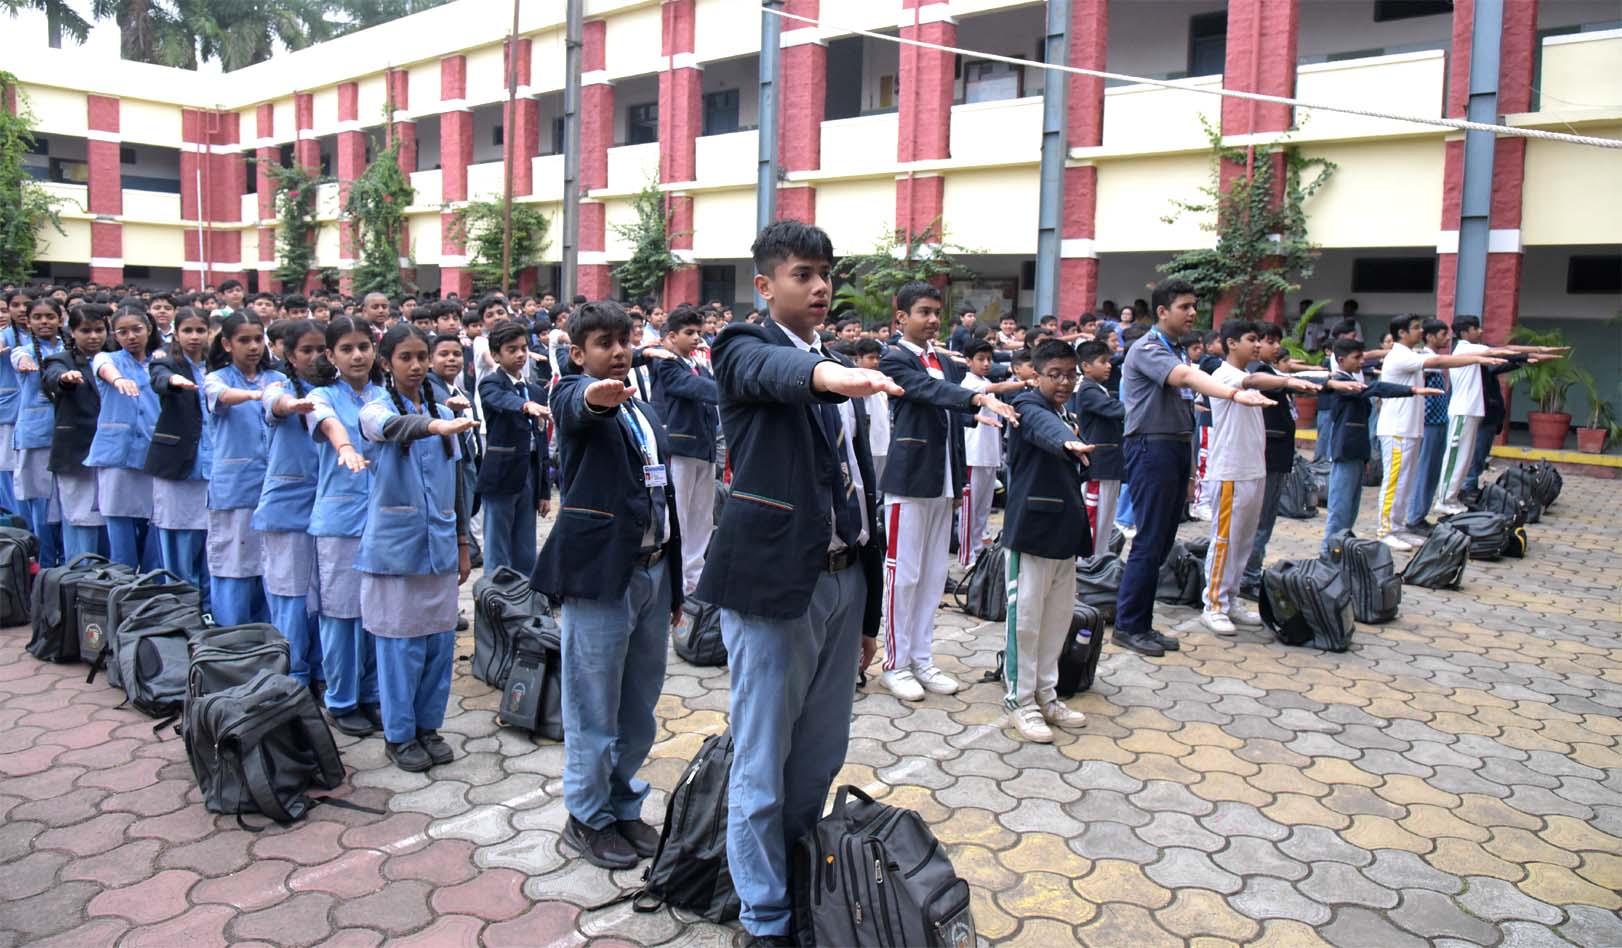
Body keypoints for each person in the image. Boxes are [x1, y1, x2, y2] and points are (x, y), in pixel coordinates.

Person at [697, 220, 898, 945]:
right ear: (764, 285)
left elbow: (860, 489)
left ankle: (795, 878)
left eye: (825, 274)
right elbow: (772, 373)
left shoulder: (834, 359)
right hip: (776, 586)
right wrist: (829, 378)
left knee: (818, 756)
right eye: (802, 274)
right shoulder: (741, 347)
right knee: (762, 760)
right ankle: (763, 915)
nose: (820, 287)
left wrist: (868, 615)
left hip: (843, 583)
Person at [532, 301, 682, 870]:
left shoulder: (641, 407)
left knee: (639, 706)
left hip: (653, 571)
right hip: (601, 577)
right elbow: (578, 407)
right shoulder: (574, 394)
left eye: (625, 340)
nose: (619, 352)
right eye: (604, 344)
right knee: (593, 706)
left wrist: (675, 586)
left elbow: (662, 491)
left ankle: (623, 804)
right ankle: (587, 817)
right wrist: (595, 395)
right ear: (578, 353)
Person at [1113, 281, 1275, 657]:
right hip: (1150, 447)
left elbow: (1185, 411)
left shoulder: (1177, 350)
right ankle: (1128, 625)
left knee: (1162, 542)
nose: (1192, 313)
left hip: (1173, 448)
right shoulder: (1148, 348)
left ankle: (1141, 623)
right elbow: (1186, 380)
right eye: (1184, 306)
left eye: (1194, 306)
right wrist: (1234, 393)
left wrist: (1189, 474)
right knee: (1149, 541)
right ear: (1162, 311)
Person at [878, 282, 1017, 701]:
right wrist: (978, 401)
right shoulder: (894, 357)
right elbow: (929, 392)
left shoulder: (941, 359)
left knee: (933, 575)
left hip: (943, 479)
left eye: (937, 312)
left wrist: (980, 415)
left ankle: (921, 658)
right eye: (923, 311)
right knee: (904, 574)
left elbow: (953, 412)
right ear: (901, 317)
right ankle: (895, 663)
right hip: (910, 478)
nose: (933, 319)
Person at [358, 325, 478, 772]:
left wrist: (462, 542)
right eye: (404, 357)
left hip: (440, 546)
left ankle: (428, 726)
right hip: (395, 551)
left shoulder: (443, 411)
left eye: (421, 357)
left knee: (437, 646)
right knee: (400, 650)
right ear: (386, 363)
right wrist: (434, 425)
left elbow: (458, 485)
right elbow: (392, 428)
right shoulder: (374, 409)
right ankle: (399, 735)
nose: (415, 366)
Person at [1198, 320, 1317, 636]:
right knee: (1225, 540)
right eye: (1251, 339)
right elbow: (1252, 379)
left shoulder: (1249, 377)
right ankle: (1213, 605)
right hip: (1230, 471)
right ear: (1231, 343)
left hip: (1253, 470)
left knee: (1244, 541)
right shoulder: (1225, 375)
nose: (1257, 345)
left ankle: (1231, 598)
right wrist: (1288, 380)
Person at [1002, 339, 1094, 742]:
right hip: (1033, 531)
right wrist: (1067, 442)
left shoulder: (1065, 412)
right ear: (1035, 375)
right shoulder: (1026, 406)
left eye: (1070, 375)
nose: (1064, 382)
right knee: (1025, 622)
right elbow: (1044, 429)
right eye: (1054, 375)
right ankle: (1019, 701)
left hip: (1064, 532)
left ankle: (1046, 694)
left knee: (1056, 620)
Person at [309, 317, 385, 736]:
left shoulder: (384, 396)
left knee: (376, 612)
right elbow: (328, 423)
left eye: (364, 347)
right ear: (331, 355)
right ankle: (340, 700)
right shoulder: (321, 395)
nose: (357, 356)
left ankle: (371, 693)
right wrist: (345, 447)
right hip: (339, 521)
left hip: (383, 518)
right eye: (347, 348)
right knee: (341, 614)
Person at [1374, 314, 1503, 550]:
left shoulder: (1411, 354)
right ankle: (1385, 530)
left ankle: (1398, 528)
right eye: (1416, 328)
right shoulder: (1400, 355)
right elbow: (1439, 362)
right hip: (1397, 429)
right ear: (1401, 333)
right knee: (1394, 482)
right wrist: (1476, 357)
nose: (1420, 332)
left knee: (1405, 482)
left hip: (1409, 429)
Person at [254, 321, 325, 688]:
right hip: (287, 509)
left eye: (321, 350)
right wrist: (293, 405)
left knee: (323, 597)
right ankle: (293, 676)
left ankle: (322, 670)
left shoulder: (336, 392)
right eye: (306, 351)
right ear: (290, 356)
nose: (315, 357)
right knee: (290, 596)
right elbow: (275, 404)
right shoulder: (278, 387)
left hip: (328, 509)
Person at [1321, 338, 1437, 552]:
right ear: (1341, 360)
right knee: (1340, 508)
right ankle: (1328, 552)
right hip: (1344, 452)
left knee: (1351, 508)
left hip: (1357, 451)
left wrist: (1365, 456)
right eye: (1356, 358)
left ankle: (1341, 550)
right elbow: (1377, 388)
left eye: (1362, 357)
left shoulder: (1351, 380)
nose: (1361, 362)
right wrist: (1412, 390)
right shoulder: (1341, 382)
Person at [1433, 317, 1555, 516]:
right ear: (1464, 332)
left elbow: (1501, 352)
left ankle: (1452, 498)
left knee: (1465, 459)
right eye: (1475, 328)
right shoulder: (1465, 348)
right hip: (1462, 411)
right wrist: (1532, 353)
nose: (1480, 331)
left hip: (1472, 411)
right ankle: (1444, 500)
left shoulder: (1472, 349)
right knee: (1455, 458)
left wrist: (1528, 356)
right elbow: (1501, 350)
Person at [204, 312, 280, 625]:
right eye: (244, 340)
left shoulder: (276, 378)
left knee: (269, 564)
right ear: (226, 344)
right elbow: (222, 397)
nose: (253, 347)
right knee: (234, 563)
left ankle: (265, 636)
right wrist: (255, 394)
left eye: (258, 339)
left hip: (273, 486)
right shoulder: (217, 378)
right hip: (235, 486)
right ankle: (231, 635)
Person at [85, 306, 162, 570]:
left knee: (155, 525)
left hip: (152, 452)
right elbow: (104, 368)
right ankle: (123, 584)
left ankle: (152, 584)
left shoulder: (160, 363)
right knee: (119, 525)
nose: (131, 336)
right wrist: (119, 380)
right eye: (123, 331)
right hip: (116, 454)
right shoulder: (107, 358)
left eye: (137, 329)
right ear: (114, 335)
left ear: (148, 329)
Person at [650, 305, 720, 596]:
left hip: (704, 447)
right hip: (680, 446)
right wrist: (728, 392)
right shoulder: (666, 364)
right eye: (689, 332)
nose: (695, 338)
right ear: (671, 336)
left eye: (698, 333)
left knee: (702, 516)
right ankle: (676, 580)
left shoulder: (699, 366)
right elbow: (690, 386)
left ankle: (695, 578)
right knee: (678, 514)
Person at [146, 307, 213, 608]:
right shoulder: (166, 362)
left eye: (200, 330)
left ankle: (208, 608)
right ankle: (180, 607)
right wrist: (173, 381)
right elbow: (159, 378)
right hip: (179, 463)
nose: (194, 337)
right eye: (188, 330)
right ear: (176, 332)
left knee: (210, 543)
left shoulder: (216, 366)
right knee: (179, 540)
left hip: (213, 464)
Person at [477, 322, 552, 575]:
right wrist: (525, 406)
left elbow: (541, 443)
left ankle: (524, 593)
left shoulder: (536, 391)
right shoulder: (491, 384)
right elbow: (502, 400)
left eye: (524, 348)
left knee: (526, 546)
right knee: (497, 545)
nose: (520, 354)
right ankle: (494, 594)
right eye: (512, 349)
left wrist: (544, 490)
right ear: (496, 355)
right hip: (501, 473)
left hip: (529, 471)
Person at [42, 304, 109, 560]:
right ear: (72, 332)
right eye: (86, 331)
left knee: (108, 523)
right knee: (80, 519)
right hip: (77, 451)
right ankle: (79, 578)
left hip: (110, 453)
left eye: (99, 330)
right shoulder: (61, 360)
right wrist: (65, 378)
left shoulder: (113, 359)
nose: (93, 336)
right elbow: (53, 377)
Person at [958, 339, 1025, 563]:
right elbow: (999, 387)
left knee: (983, 509)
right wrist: (1024, 382)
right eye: (981, 359)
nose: (986, 363)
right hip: (973, 456)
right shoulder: (969, 383)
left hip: (989, 455)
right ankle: (967, 556)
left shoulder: (985, 381)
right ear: (968, 361)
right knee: (970, 509)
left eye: (989, 359)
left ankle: (978, 551)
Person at [11, 298, 66, 567]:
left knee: (67, 504)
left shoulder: (69, 349)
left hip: (69, 435)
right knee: (41, 504)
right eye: (37, 317)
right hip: (36, 435)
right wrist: (24, 362)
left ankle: (65, 564)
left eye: (50, 316)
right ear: (28, 321)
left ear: (60, 319)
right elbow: (19, 359)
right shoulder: (23, 351)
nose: (44, 322)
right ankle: (43, 566)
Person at [1071, 339, 1124, 546]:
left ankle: (1100, 557)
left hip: (1109, 463)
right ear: (1086, 366)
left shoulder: (1099, 389)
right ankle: (1090, 560)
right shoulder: (1088, 390)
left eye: (1109, 361)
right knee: (1095, 518)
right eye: (1103, 361)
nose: (1108, 366)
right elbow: (1116, 409)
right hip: (1098, 464)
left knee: (1106, 518)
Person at [1404, 319, 1453, 534]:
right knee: (1425, 470)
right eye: (1443, 334)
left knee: (1431, 470)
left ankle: (1419, 514)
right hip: (1429, 422)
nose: (1447, 338)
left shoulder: (1428, 358)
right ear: (1431, 337)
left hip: (1438, 421)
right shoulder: (1425, 359)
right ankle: (1415, 517)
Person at [853, 338, 890, 486]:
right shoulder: (854, 379)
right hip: (868, 443)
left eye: (877, 358)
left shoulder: (881, 378)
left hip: (883, 441)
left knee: (880, 486)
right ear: (858, 358)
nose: (875, 362)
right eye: (870, 358)